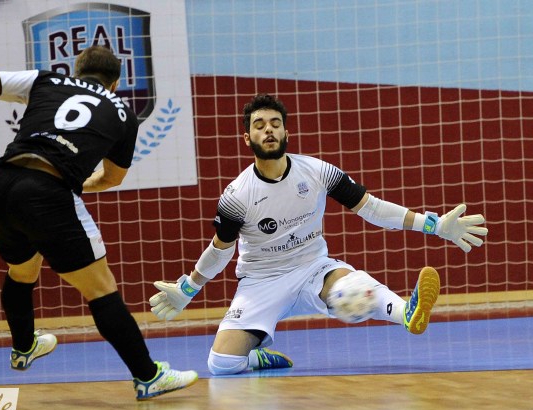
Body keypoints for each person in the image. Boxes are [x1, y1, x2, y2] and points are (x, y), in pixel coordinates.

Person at [0, 45, 198, 399]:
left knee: (22, 270)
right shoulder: (123, 113)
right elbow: (112, 178)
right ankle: (148, 376)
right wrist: (75, 183)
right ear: (115, 83)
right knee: (101, 289)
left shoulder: (48, 80)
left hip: (0, 186)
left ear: (76, 70)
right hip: (47, 192)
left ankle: (24, 347)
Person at [150, 93, 488, 375]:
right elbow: (221, 249)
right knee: (221, 364)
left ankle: (407, 313)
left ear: (286, 133)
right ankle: (257, 357)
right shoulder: (237, 196)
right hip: (261, 281)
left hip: (313, 268)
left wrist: (434, 225)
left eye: (275, 123)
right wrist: (188, 288)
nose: (268, 129)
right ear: (247, 138)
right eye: (259, 125)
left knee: (350, 288)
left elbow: (371, 208)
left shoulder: (317, 171)